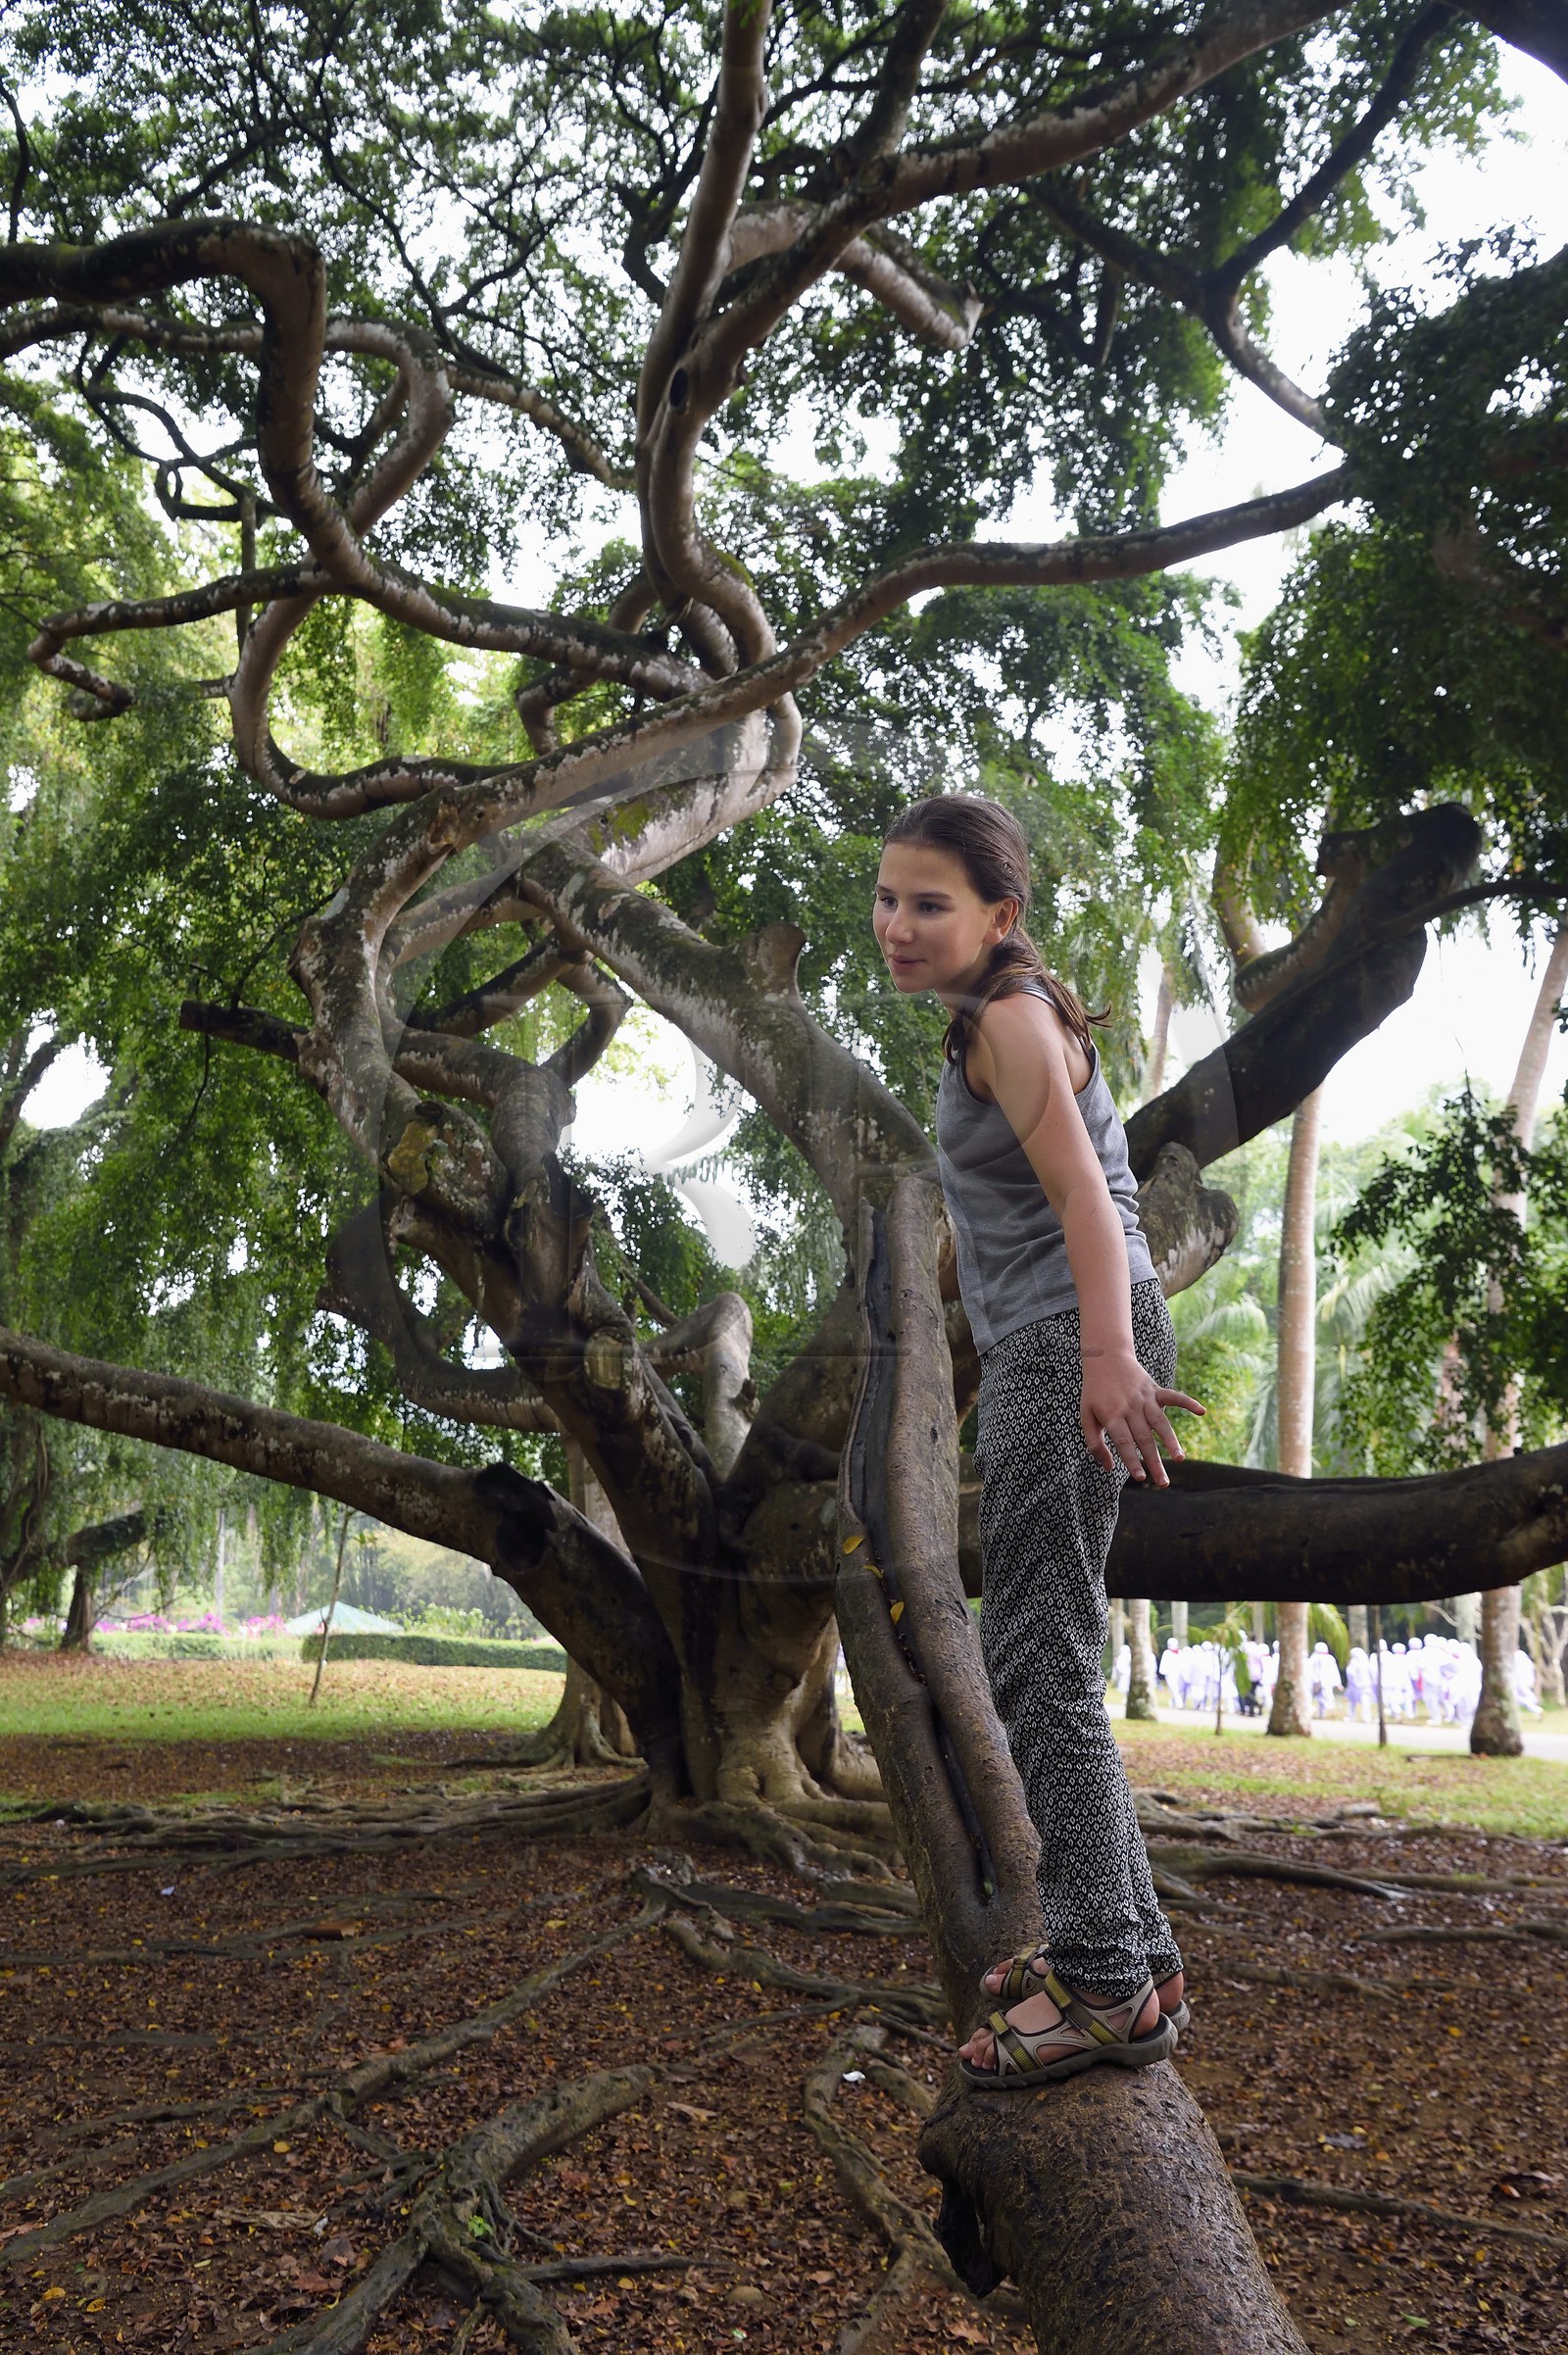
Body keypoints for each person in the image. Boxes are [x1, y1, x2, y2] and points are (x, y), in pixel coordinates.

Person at [875, 792, 1203, 2090]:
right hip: (1059, 1336)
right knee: (1044, 1646)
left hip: (1073, 1341)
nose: (898, 925)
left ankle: (1105, 1986)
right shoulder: (996, 1013)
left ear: (999, 913)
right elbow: (1026, 1200)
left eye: (930, 904)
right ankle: (1133, 1953)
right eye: (888, 899)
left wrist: (1108, 1358)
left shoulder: (1008, 1021)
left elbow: (1084, 1200)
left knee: (1035, 1657)